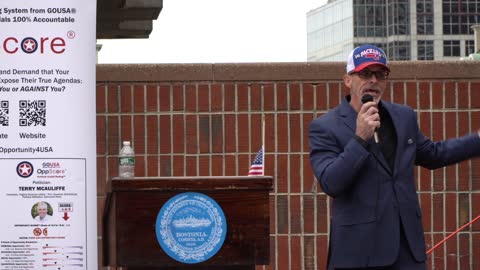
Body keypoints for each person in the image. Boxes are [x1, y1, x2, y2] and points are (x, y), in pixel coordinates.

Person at [308, 44, 480, 270]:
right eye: (365, 73)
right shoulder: (325, 127)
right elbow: (331, 182)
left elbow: (435, 154)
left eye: (380, 74)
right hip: (358, 254)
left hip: (407, 252)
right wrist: (360, 138)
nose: (373, 80)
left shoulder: (403, 117)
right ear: (348, 80)